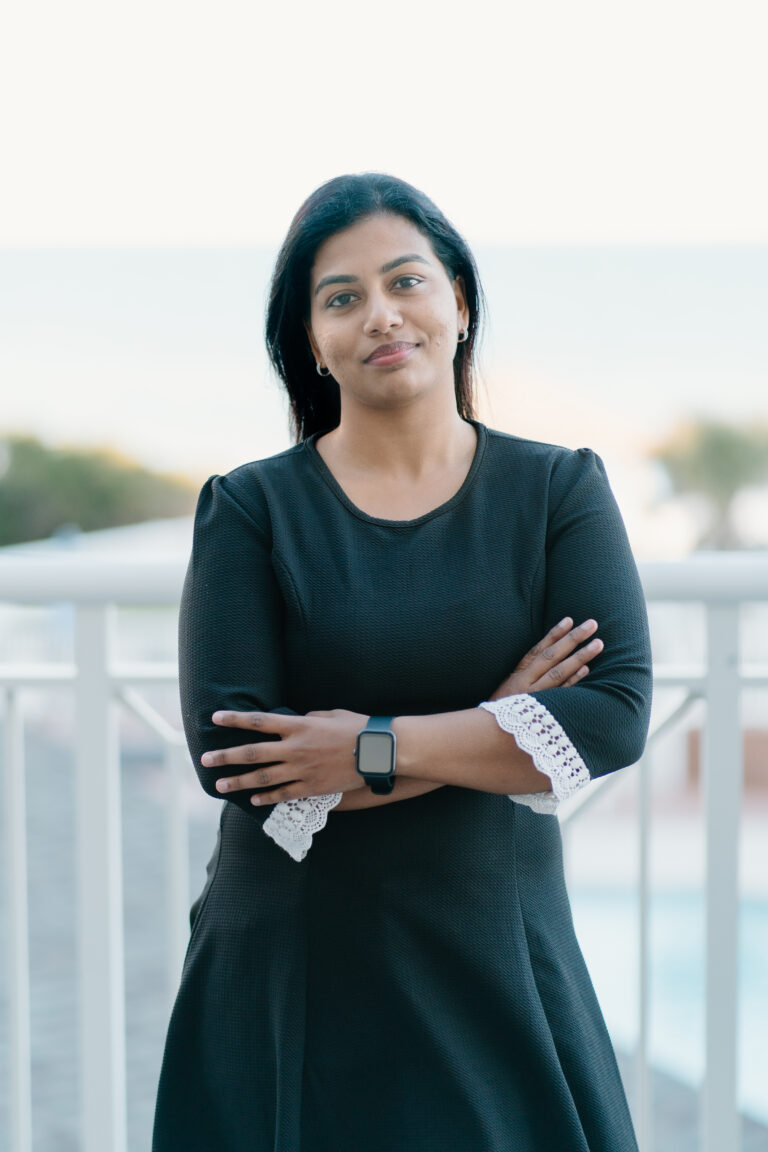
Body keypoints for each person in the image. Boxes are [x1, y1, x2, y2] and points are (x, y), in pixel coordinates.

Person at [152, 173, 652, 1152]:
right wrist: (498, 718)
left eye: (405, 282)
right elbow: (240, 768)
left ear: (458, 303)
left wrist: (373, 747)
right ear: (310, 341)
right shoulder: (252, 511)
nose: (380, 315)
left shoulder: (559, 491)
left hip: (495, 958)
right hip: (290, 965)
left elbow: (614, 717)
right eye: (341, 297)